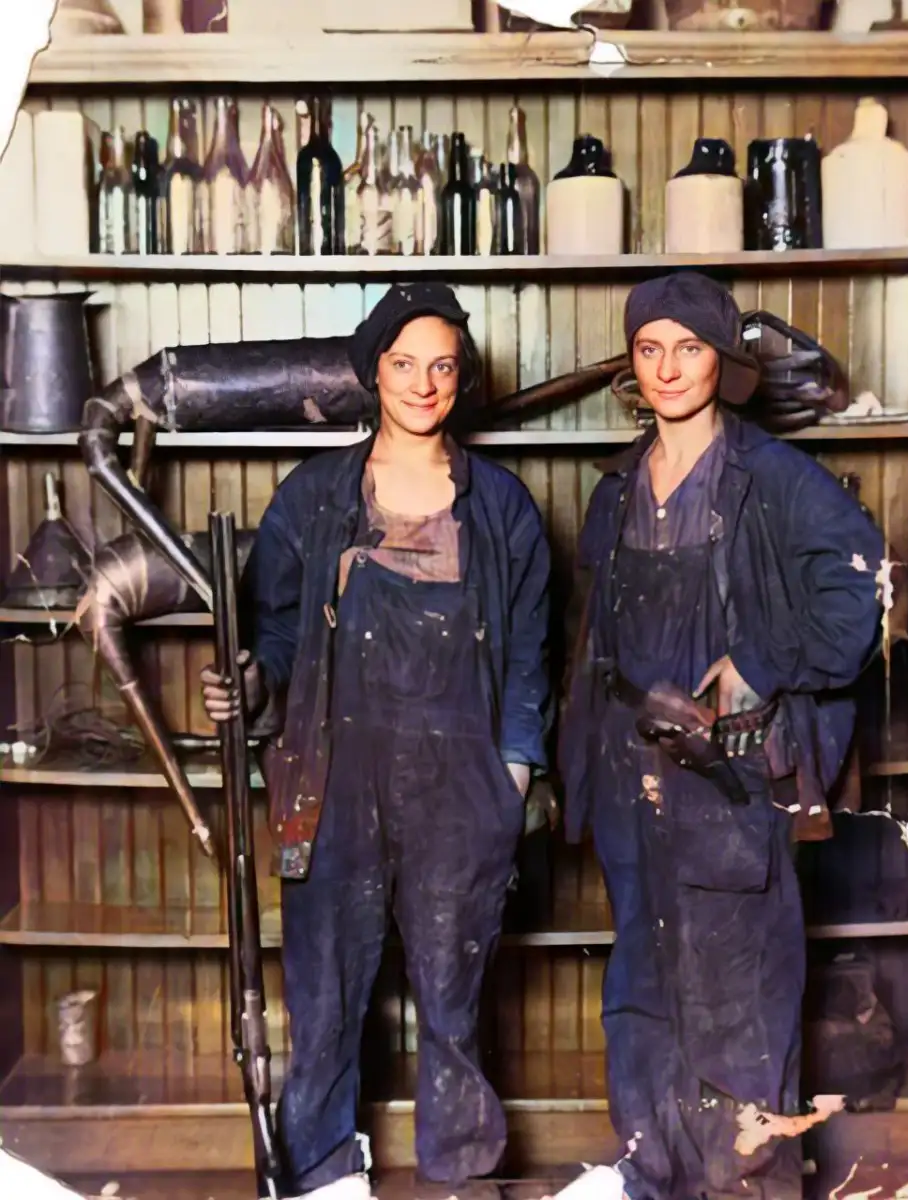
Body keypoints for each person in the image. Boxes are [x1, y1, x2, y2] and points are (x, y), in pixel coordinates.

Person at [201, 282, 552, 1200]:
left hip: (460, 790)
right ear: (373, 374)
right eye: (404, 364)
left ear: (461, 378)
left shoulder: (503, 509)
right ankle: (321, 1175)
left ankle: (464, 1172)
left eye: (442, 366)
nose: (423, 384)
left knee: (454, 1008)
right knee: (323, 1003)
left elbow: (529, 662)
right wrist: (251, 683)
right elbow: (273, 634)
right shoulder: (314, 499)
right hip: (333, 777)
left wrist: (510, 779)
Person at [559, 272, 884, 1200]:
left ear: (724, 359)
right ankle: (650, 1175)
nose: (667, 368)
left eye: (689, 347)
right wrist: (575, 777)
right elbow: (592, 648)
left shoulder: (775, 481)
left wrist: (762, 663)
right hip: (633, 780)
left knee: (741, 999)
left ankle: (751, 1186)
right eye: (649, 348)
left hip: (732, 781)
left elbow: (862, 596)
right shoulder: (616, 490)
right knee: (644, 993)